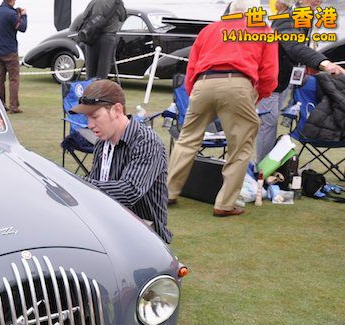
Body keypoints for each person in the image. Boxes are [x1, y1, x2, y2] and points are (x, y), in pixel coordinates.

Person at [166, 0, 277, 217]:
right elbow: (270, 73)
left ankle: (168, 192)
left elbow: (192, 66)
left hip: (202, 83)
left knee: (187, 140)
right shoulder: (263, 30)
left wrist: (193, 90)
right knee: (240, 147)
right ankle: (225, 203)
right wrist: (257, 95)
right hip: (238, 84)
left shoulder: (209, 29)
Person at [69, 79, 172, 243]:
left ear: (116, 110)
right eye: (87, 118)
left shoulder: (147, 142)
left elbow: (129, 191)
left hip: (148, 238)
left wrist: (76, 184)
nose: (89, 125)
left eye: (95, 116)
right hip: (112, 230)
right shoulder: (102, 143)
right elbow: (97, 184)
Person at [254, 0, 345, 163]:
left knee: (270, 122)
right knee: (268, 124)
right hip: (268, 80)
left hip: (283, 80)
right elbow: (294, 47)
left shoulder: (306, 18)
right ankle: (262, 171)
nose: (318, 2)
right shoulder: (286, 17)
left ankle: (268, 168)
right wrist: (323, 63)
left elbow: (300, 49)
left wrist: (307, 66)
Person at [73, 0, 126, 80]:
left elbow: (84, 17)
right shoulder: (117, 3)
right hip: (108, 38)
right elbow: (123, 17)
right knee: (103, 71)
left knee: (90, 70)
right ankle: (100, 88)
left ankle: (90, 88)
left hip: (93, 37)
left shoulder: (94, 2)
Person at [0, 0, 27, 113]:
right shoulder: (11, 14)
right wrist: (24, 16)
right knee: (13, 79)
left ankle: (0, 104)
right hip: (10, 51)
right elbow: (22, 28)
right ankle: (13, 106)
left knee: (0, 79)